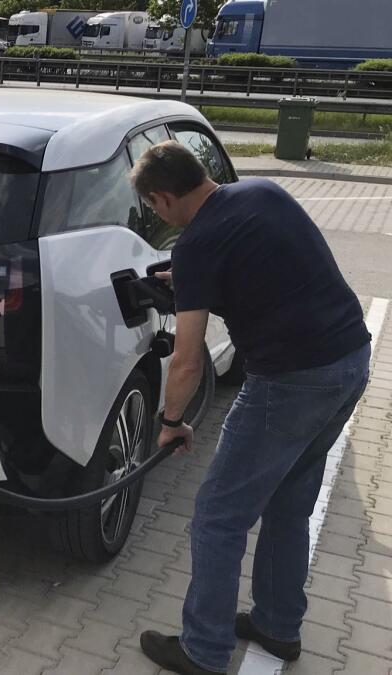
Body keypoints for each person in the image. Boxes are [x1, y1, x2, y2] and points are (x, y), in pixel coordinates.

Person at [128, 141, 371, 675]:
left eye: (152, 206)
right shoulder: (262, 191)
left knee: (218, 516)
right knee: (289, 503)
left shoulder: (197, 245)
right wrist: (194, 283)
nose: (154, 214)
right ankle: (277, 627)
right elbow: (269, 267)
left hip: (290, 383)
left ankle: (204, 651)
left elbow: (189, 362)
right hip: (350, 360)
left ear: (164, 198)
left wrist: (171, 424)